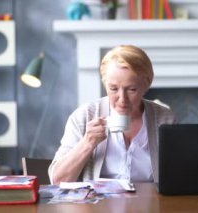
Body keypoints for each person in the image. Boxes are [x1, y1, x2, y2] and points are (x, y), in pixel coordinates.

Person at [49, 45, 175, 185]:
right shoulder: (84, 116)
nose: (122, 99)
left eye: (132, 89)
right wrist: (88, 142)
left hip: (150, 205)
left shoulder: (165, 119)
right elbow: (58, 180)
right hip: (97, 206)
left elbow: (181, 177)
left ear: (146, 85)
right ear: (105, 84)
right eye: (113, 88)